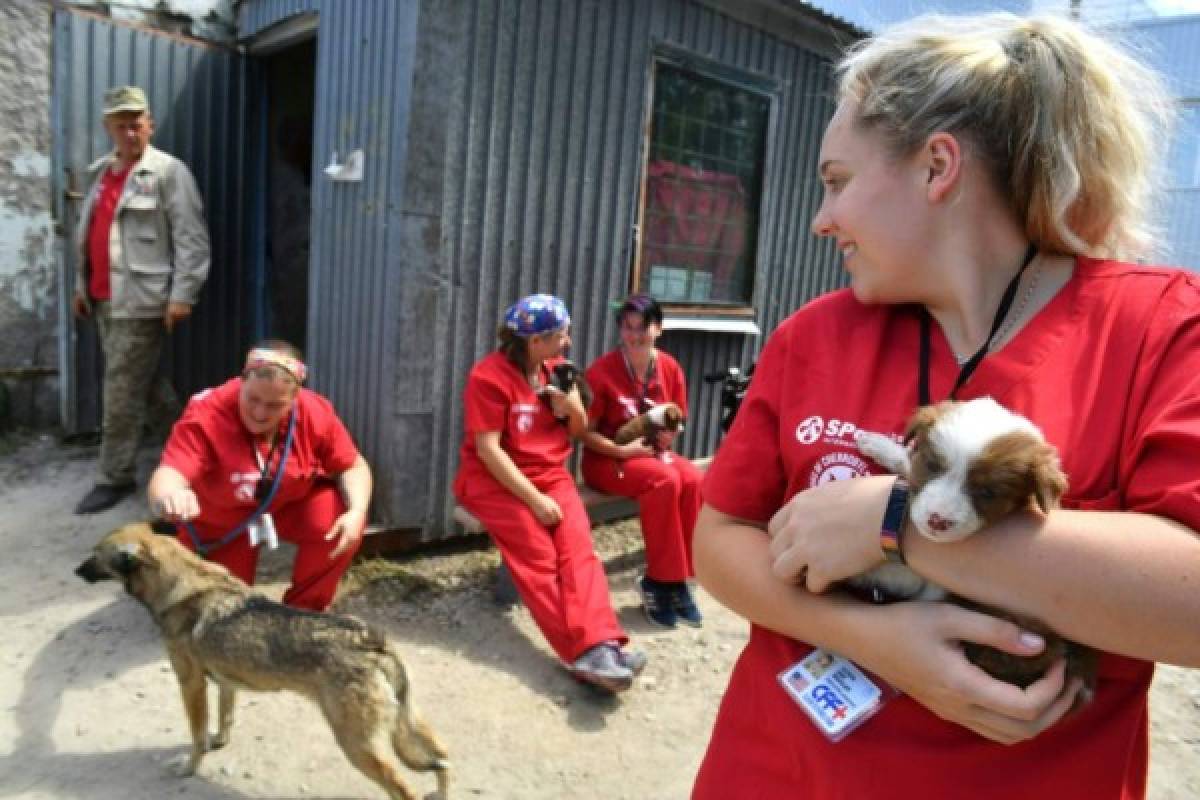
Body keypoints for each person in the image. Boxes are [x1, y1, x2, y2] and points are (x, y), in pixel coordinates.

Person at [692, 12, 1200, 799]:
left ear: (938, 167)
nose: (822, 219)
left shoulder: (1160, 330)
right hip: (773, 771)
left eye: (837, 182)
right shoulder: (812, 336)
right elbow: (720, 538)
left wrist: (892, 525)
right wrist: (871, 636)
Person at [452, 294, 647, 693]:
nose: (568, 341)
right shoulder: (487, 378)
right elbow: (489, 451)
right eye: (561, 335)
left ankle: (603, 644)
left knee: (579, 552)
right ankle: (583, 653)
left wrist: (571, 407)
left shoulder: (559, 371)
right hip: (493, 480)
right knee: (539, 557)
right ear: (535, 341)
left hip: (550, 474)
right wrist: (535, 501)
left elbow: (577, 432)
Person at [147, 341, 372, 612]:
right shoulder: (208, 413)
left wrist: (357, 511)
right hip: (222, 519)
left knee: (338, 520)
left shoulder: (314, 412)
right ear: (241, 382)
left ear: (295, 397)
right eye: (252, 399)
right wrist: (172, 495)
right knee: (222, 609)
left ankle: (303, 611)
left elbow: (353, 465)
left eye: (275, 405)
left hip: (288, 503)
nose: (260, 413)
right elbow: (170, 472)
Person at [73, 85, 211, 515]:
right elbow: (90, 237)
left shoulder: (169, 172)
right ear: (108, 128)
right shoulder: (99, 173)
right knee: (143, 383)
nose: (130, 132)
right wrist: (82, 288)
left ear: (149, 123)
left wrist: (183, 294)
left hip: (143, 300)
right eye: (121, 124)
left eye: (137, 123)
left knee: (121, 388)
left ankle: (113, 476)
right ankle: (196, 452)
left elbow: (192, 238)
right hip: (102, 299)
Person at [581, 293, 704, 628]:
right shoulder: (602, 371)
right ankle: (659, 581)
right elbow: (583, 433)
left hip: (650, 454)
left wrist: (670, 436)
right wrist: (622, 451)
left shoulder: (669, 367)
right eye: (627, 327)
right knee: (665, 480)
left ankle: (680, 580)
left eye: (642, 327)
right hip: (606, 457)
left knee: (693, 479)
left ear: (659, 329)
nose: (634, 335)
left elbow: (677, 417)